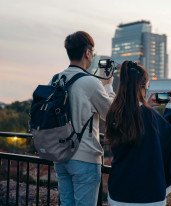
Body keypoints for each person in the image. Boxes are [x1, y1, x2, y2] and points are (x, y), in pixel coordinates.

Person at [105, 61, 171, 205]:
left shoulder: (114, 114)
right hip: (148, 194)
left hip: (119, 191)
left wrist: (146, 106)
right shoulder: (149, 116)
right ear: (143, 87)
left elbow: (135, 120)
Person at [53, 31, 115, 206]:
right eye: (92, 52)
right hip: (84, 157)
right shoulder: (91, 82)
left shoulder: (56, 79)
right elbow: (110, 114)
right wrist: (108, 85)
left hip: (59, 155)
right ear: (87, 53)